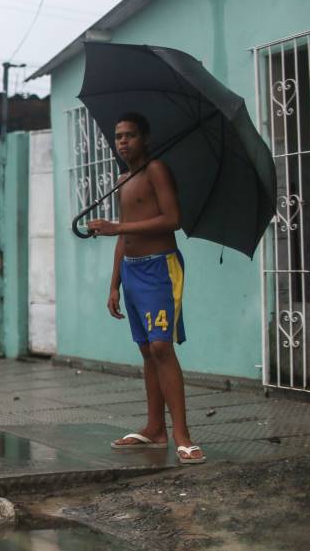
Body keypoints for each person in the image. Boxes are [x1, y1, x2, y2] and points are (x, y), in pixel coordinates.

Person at [86, 112, 205, 464]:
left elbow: (172, 219)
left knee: (161, 346)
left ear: (146, 138)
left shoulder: (156, 170)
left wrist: (116, 228)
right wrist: (113, 285)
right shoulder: (123, 180)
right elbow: (124, 236)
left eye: (131, 135)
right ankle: (155, 428)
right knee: (145, 350)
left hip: (159, 270)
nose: (123, 142)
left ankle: (182, 434)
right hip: (132, 271)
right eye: (119, 136)